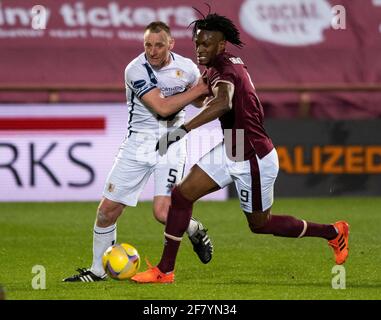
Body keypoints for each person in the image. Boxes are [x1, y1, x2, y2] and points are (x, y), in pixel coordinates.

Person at [131, 13, 350, 283]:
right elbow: (209, 98)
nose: (201, 49)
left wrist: (183, 130)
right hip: (234, 143)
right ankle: (164, 271)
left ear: (222, 46)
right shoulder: (215, 66)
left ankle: (333, 232)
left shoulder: (226, 70)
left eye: (207, 45)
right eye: (198, 43)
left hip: (253, 156)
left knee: (261, 225)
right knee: (181, 196)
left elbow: (224, 102)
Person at [63, 21, 213, 282]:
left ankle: (195, 229)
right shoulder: (135, 69)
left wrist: (203, 92)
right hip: (137, 144)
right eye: (147, 45)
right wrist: (198, 89)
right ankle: (97, 270)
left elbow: (200, 101)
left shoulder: (187, 67)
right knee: (106, 210)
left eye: (158, 45)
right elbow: (162, 108)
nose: (152, 51)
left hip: (171, 142)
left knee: (163, 213)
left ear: (170, 44)